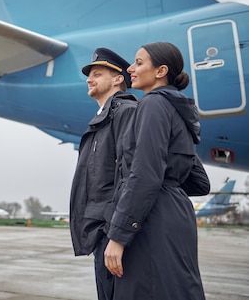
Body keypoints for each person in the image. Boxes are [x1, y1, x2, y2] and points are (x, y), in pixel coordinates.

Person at [104, 42, 210, 299]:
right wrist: (170, 183)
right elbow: (199, 182)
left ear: (161, 70)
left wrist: (118, 236)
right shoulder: (179, 109)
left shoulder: (152, 105)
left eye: (139, 63)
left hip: (151, 221)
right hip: (176, 217)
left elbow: (145, 174)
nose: (131, 68)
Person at [70, 47, 137, 300]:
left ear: (118, 79)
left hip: (113, 233)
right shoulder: (103, 118)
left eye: (97, 73)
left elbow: (131, 178)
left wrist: (117, 236)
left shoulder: (125, 113)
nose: (89, 79)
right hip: (102, 232)